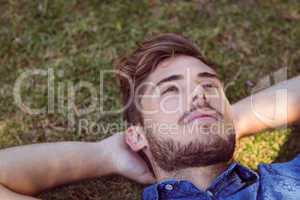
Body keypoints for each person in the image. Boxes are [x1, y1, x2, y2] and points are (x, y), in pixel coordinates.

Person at [0, 33, 299, 200]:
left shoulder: (289, 180)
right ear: (136, 135)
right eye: (171, 92)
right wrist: (105, 155)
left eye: (208, 85)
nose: (200, 95)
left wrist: (225, 121)